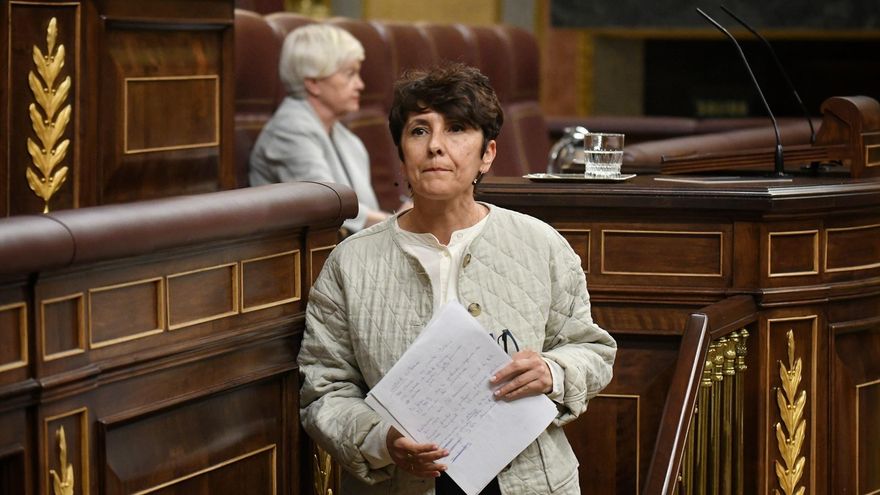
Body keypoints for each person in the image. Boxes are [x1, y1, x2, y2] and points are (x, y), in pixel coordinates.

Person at [298, 63, 617, 494]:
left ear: (487, 153)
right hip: (405, 480)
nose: (436, 147)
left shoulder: (539, 244)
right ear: (401, 151)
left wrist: (553, 371)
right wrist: (382, 440)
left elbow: (592, 350)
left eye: (457, 129)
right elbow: (323, 390)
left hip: (528, 478)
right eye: (419, 131)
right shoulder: (350, 263)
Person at [249, 24, 396, 233]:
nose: (360, 85)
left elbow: (364, 213)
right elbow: (327, 206)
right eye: (349, 74)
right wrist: (399, 223)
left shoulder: (347, 138)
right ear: (313, 83)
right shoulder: (288, 132)